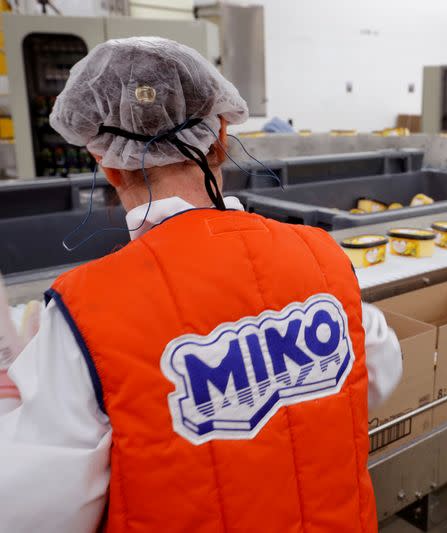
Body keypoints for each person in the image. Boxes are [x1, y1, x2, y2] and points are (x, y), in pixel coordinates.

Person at [0, 37, 402, 532]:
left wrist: (15, 400)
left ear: (104, 162)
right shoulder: (321, 256)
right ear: (221, 138)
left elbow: (30, 510)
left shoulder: (85, 314)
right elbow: (379, 373)